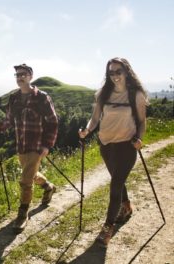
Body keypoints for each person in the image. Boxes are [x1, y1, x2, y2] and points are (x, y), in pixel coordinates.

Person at [78, 57, 148, 246]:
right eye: (111, 72)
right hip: (106, 144)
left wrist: (140, 138)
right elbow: (94, 119)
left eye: (118, 71)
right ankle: (126, 206)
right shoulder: (103, 93)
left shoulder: (136, 95)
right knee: (117, 178)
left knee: (115, 184)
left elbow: (141, 122)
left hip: (127, 145)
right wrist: (87, 130)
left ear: (126, 72)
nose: (115, 75)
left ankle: (107, 228)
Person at [0, 63, 58, 233]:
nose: (20, 77)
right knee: (31, 175)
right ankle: (48, 187)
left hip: (37, 145)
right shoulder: (14, 98)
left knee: (25, 181)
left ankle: (22, 213)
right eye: (17, 75)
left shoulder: (42, 97)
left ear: (31, 76)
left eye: (23, 74)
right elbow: (9, 120)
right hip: (22, 144)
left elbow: (53, 122)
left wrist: (47, 145)